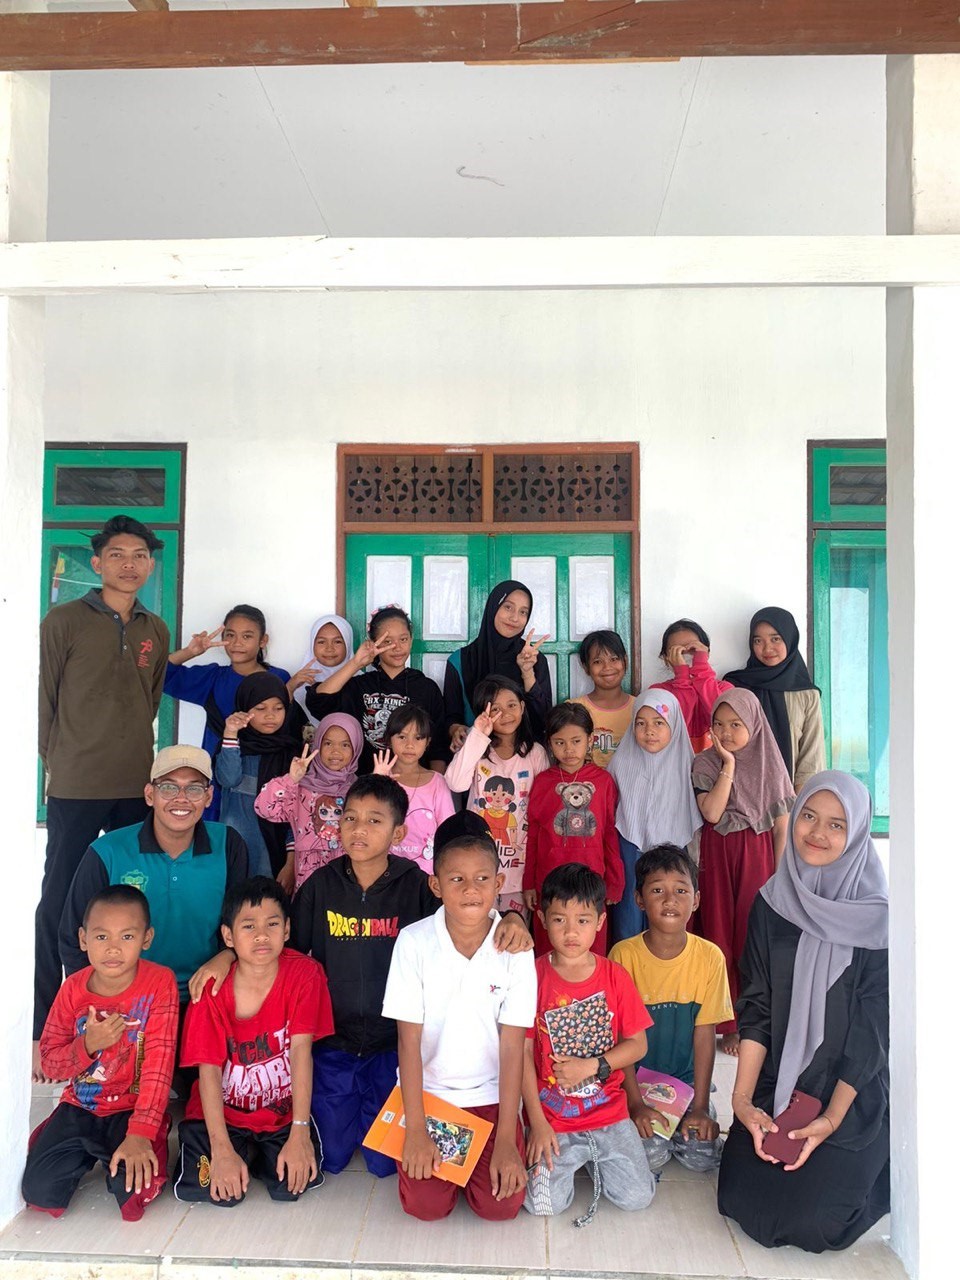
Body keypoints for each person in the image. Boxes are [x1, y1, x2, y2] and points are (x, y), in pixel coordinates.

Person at [194, 785, 532, 1179]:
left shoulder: (416, 886)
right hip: (334, 1043)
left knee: (383, 1164)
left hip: (393, 1046)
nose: (359, 829)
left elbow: (466, 913)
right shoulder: (320, 886)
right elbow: (280, 943)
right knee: (333, 1158)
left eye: (374, 821)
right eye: (350, 818)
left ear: (398, 833)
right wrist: (228, 954)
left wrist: (513, 917)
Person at [717, 773, 889, 1253]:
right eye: (809, 815)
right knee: (740, 1200)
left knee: (814, 1222)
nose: (817, 833)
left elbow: (873, 1031)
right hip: (782, 1079)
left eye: (837, 825)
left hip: (849, 1089)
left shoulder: (878, 918)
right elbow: (757, 1006)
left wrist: (832, 1117)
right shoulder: (773, 903)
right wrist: (743, 1100)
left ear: (857, 833)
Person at [36, 513, 170, 1080]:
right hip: (76, 783)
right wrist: (58, 760)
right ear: (97, 563)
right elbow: (44, 698)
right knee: (59, 896)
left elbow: (150, 700)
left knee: (131, 895)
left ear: (151, 565)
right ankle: (48, 1017)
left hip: (133, 783)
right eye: (117, 554)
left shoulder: (154, 629)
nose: (128, 564)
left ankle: (134, 1010)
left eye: (139, 555)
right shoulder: (63, 621)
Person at [382, 827, 537, 1220]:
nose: (470, 889)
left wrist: (506, 1140)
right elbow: (408, 1042)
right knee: (426, 1207)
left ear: (499, 883)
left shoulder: (516, 949)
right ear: (436, 885)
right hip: (430, 1097)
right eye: (456, 879)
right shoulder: (413, 942)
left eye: (482, 878)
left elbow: (513, 1045)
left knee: (501, 1207)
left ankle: (481, 1162)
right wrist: (416, 1129)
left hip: (490, 1098)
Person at [173, 876, 333, 1206]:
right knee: (216, 1192)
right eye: (248, 926)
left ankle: (258, 1156)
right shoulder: (210, 989)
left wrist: (300, 1131)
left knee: (290, 1187)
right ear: (228, 936)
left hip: (280, 1114)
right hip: (223, 1115)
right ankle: (240, 1151)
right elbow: (209, 1071)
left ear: (287, 930)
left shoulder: (305, 974)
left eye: (272, 924)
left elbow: (301, 1051)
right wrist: (221, 1150)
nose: (261, 935)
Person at [24, 885, 178, 1221]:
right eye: (101, 936)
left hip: (132, 1109)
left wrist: (141, 1133)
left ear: (147, 938)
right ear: (83, 939)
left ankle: (155, 1133)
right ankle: (57, 1134)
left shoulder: (159, 983)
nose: (113, 948)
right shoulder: (72, 989)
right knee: (40, 1193)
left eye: (127, 936)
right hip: (81, 1105)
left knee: (134, 1196)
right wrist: (88, 1044)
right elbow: (51, 1064)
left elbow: (159, 1066)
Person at [59, 745, 249, 1014]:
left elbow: (244, 923)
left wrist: (226, 956)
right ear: (150, 794)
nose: (181, 799)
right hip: (128, 1004)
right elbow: (72, 937)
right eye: (169, 787)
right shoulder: (108, 851)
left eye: (194, 789)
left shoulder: (228, 844)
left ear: (208, 797)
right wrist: (95, 1006)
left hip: (205, 997)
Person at [523, 864, 655, 1226]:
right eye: (559, 920)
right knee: (545, 1205)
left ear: (600, 922)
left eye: (582, 920)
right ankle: (575, 1156)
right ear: (542, 919)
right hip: (554, 1117)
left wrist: (593, 1066)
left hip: (609, 1111)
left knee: (637, 1198)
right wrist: (537, 1122)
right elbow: (521, 1055)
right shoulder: (530, 977)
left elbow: (638, 1044)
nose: (570, 932)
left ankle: (600, 1159)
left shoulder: (615, 976)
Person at [611, 846, 731, 1175]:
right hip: (638, 1083)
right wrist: (635, 1103)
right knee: (649, 1155)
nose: (669, 900)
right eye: (657, 890)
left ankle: (692, 1115)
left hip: (687, 1085)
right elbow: (620, 1037)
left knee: (701, 1158)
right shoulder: (623, 956)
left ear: (696, 900)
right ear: (638, 899)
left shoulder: (710, 957)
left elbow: (705, 1035)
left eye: (680, 890)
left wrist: (701, 1106)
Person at [692, 689, 794, 1054]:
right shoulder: (705, 763)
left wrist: (780, 879)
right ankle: (726, 1023)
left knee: (751, 938)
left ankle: (750, 1021)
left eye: (736, 724)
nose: (726, 732)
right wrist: (729, 766)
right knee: (718, 934)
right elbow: (712, 813)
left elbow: (781, 828)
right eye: (719, 724)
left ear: (754, 724)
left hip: (757, 856)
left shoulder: (771, 763)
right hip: (717, 855)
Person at [162, 603, 292, 815]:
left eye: (247, 636)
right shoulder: (213, 678)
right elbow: (161, 676)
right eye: (230, 635)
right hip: (220, 774)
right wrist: (190, 652)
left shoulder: (279, 678)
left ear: (263, 640)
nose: (237, 643)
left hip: (267, 775)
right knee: (219, 828)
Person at [444, 676, 550, 916]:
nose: (506, 714)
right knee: (480, 928)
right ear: (483, 713)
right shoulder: (477, 749)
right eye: (496, 709)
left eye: (512, 705)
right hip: (479, 866)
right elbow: (455, 783)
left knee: (514, 928)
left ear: (522, 706)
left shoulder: (535, 753)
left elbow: (543, 809)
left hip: (520, 866)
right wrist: (478, 735)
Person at [524, 703, 622, 955]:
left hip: (592, 882)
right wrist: (529, 883)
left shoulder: (603, 781)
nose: (568, 750)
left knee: (592, 950)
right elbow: (533, 835)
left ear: (590, 740)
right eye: (560, 742)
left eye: (576, 741)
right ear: (549, 743)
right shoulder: (544, 782)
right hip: (549, 883)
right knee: (549, 950)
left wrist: (614, 880)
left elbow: (609, 833)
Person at [606, 689, 702, 945]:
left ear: (674, 725)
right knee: (628, 919)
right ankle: (627, 969)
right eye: (641, 723)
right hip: (629, 848)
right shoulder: (620, 763)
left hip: (674, 851)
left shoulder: (689, 766)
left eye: (659, 723)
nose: (649, 731)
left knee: (667, 918)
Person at [307, 605, 447, 775]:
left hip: (413, 782)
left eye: (403, 639)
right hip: (365, 781)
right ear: (373, 643)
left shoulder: (426, 688)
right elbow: (318, 703)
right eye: (387, 641)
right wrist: (356, 663)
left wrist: (437, 783)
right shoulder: (359, 686)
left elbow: (438, 746)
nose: (397, 647)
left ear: (411, 640)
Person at [255, 713, 363, 892]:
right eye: (328, 743)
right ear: (317, 744)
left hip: (349, 877)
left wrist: (379, 785)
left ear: (356, 748)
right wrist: (290, 779)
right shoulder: (300, 787)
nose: (335, 751)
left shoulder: (360, 790)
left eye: (345, 745)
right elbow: (265, 808)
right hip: (307, 878)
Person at [724, 606, 826, 791]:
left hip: (787, 796)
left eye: (775, 639)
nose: (767, 648)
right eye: (758, 640)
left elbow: (811, 757)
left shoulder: (807, 694)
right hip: (741, 795)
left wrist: (796, 804)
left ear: (789, 638)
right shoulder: (736, 687)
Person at [215, 672, 306, 879]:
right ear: (244, 709)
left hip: (275, 851)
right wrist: (230, 733)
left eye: (278, 708)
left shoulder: (292, 753)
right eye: (260, 708)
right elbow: (228, 779)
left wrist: (291, 861)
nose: (270, 715)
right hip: (236, 847)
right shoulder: (234, 746)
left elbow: (296, 812)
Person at [443, 581, 551, 751]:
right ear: (493, 607)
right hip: (476, 755)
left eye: (523, 612)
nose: (515, 618)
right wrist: (456, 729)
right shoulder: (460, 661)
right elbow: (451, 717)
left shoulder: (534, 660)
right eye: (508, 607)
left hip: (525, 755)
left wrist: (527, 673)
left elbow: (544, 720)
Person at [372, 704, 455, 874]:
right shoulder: (380, 778)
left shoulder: (437, 783)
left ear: (427, 742)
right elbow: (370, 822)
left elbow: (448, 832)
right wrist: (377, 782)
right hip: (385, 874)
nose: (410, 745)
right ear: (388, 739)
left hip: (426, 875)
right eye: (402, 737)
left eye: (418, 738)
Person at [649, 618, 733, 754]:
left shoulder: (725, 689)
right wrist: (682, 677)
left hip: (717, 764)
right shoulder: (658, 692)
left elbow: (723, 720)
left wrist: (701, 669)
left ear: (706, 653)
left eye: (693, 650)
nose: (686, 655)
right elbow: (673, 728)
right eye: (677, 652)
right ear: (666, 659)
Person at [569, 630, 634, 768]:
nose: (607, 667)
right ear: (586, 668)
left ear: (625, 661)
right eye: (597, 661)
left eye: (614, 659)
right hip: (587, 781)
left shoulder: (640, 708)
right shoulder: (573, 709)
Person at [288, 614, 355, 727]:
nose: (329, 648)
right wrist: (290, 688)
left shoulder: (361, 682)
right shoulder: (298, 681)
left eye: (337, 641)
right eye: (321, 642)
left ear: (348, 644)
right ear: (312, 645)